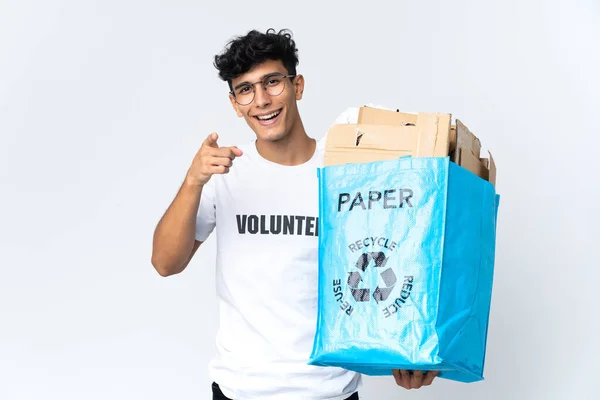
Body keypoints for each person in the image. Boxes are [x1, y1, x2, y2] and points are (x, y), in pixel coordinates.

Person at [151, 28, 438, 400]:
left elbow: (390, 257)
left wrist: (409, 351)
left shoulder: (346, 171)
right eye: (246, 89)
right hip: (241, 390)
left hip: (329, 390)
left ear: (297, 85)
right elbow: (165, 263)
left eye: (273, 82)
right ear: (235, 103)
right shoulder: (223, 171)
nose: (261, 100)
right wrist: (193, 182)